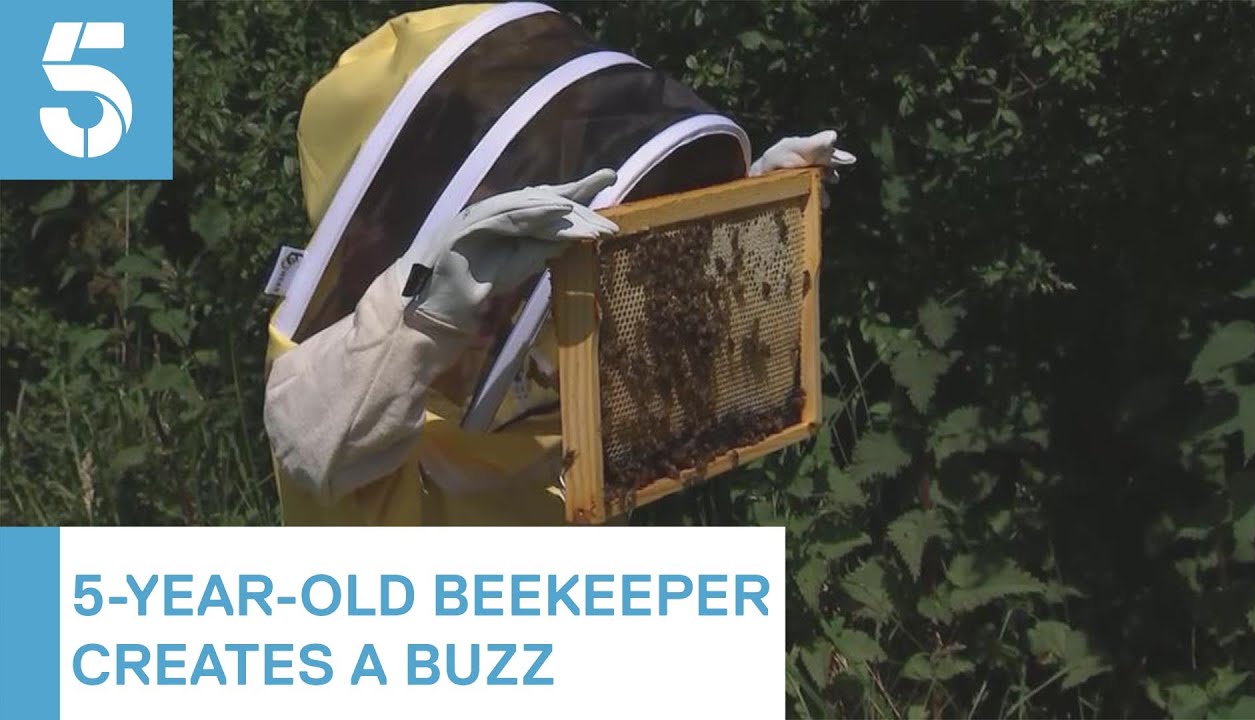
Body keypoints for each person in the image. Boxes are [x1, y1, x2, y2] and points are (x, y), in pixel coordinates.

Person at [261, 5, 855, 527]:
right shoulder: (342, 357)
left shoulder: (544, 290)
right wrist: (423, 317)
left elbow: (672, 341)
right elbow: (309, 442)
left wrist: (743, 227)